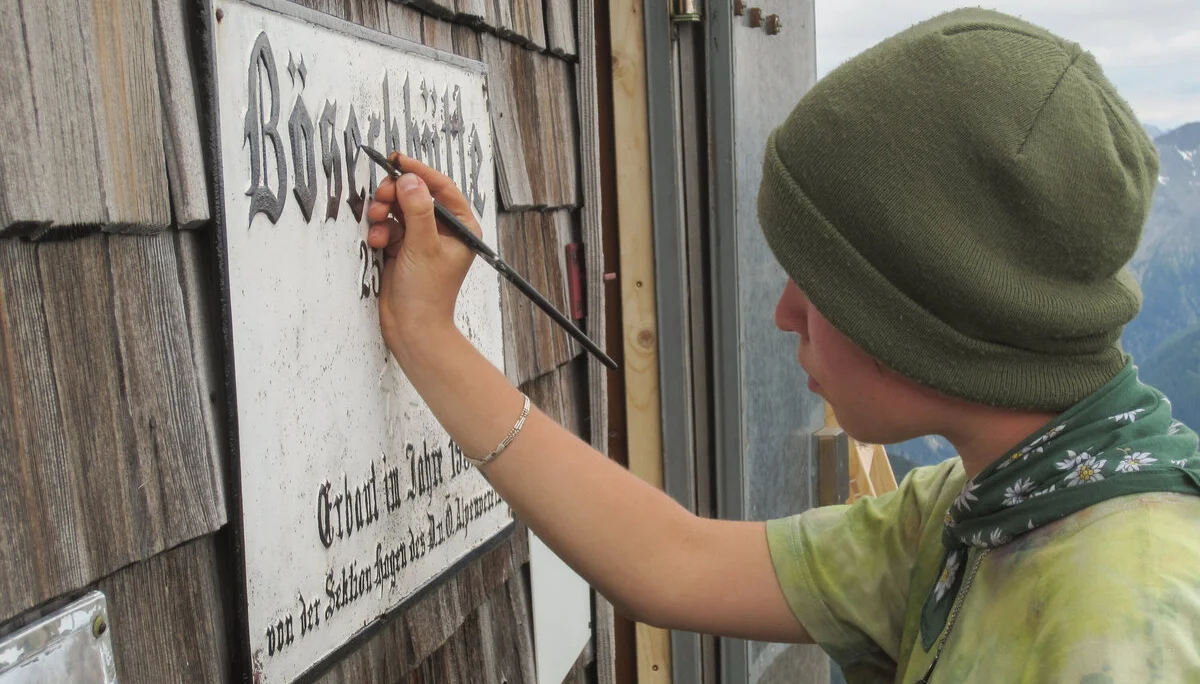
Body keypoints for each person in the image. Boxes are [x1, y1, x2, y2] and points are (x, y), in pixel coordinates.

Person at [365, 8, 1200, 683]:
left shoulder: (1129, 638)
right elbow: (672, 562)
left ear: (928, 315)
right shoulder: (986, 504)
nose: (786, 315)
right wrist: (427, 334)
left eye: (823, 283)